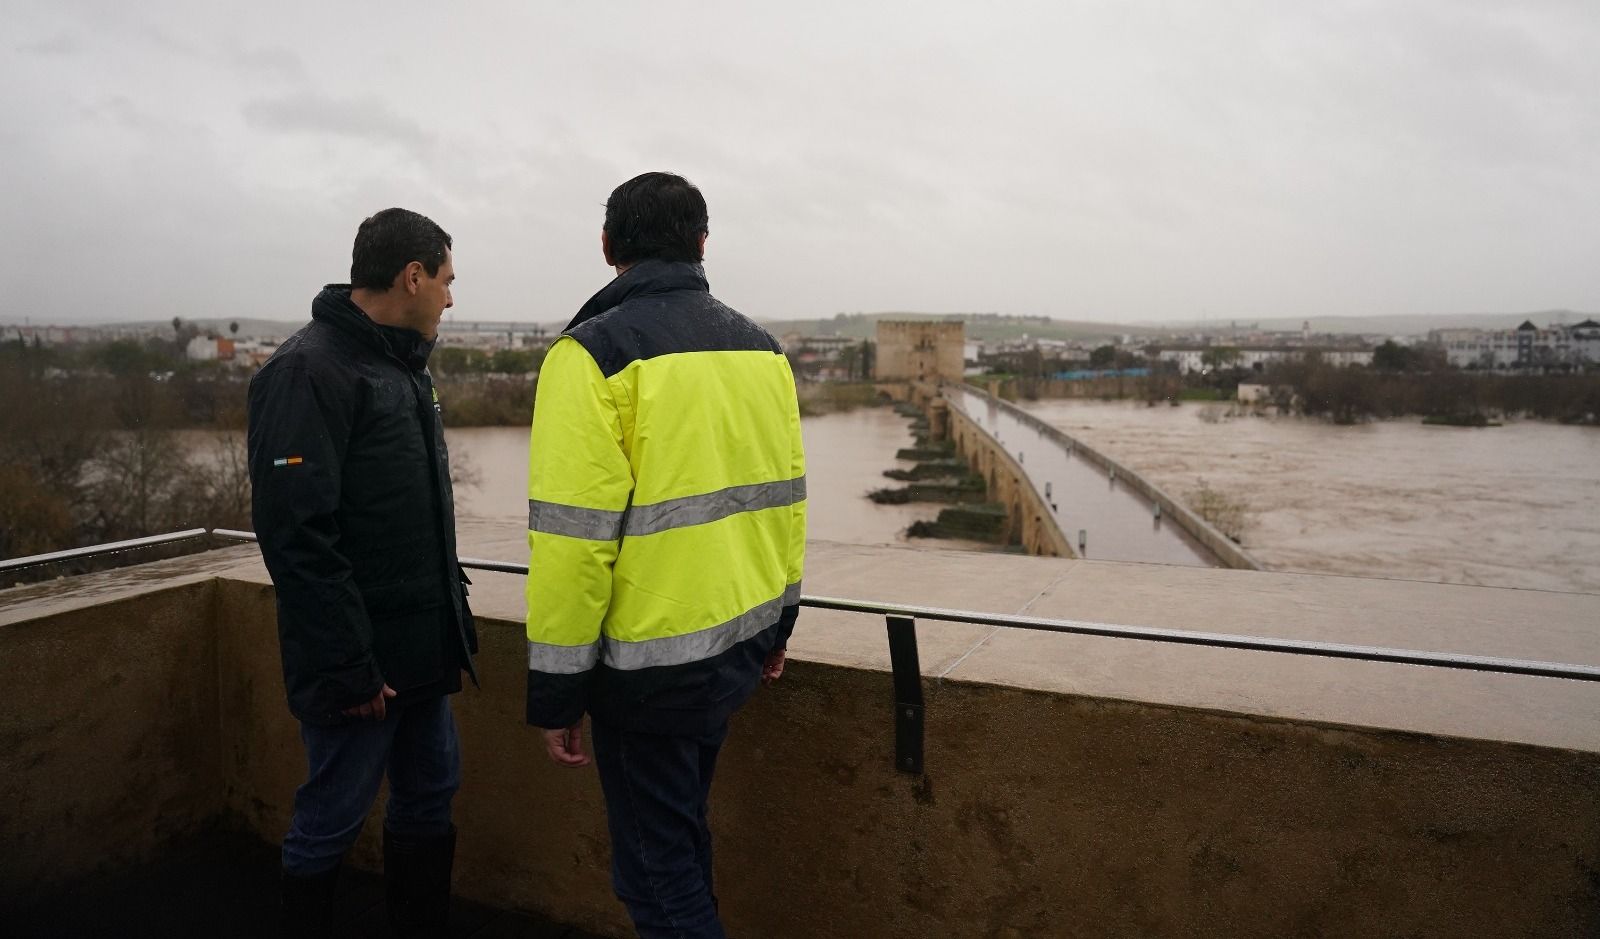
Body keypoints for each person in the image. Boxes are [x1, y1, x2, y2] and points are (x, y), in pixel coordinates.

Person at [524, 172, 806, 938]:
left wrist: (556, 692)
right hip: (735, 651)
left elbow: (572, 546)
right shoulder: (764, 353)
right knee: (677, 846)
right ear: (702, 243)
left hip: (646, 674)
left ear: (608, 247)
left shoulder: (590, 356)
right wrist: (780, 624)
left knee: (657, 876)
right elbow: (786, 504)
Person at [247, 207, 478, 938]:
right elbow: (296, 534)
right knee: (331, 817)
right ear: (412, 276)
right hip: (359, 668)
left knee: (429, 796)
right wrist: (348, 663)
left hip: (418, 654)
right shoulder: (306, 370)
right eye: (446, 280)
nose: (450, 297)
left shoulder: (402, 369)